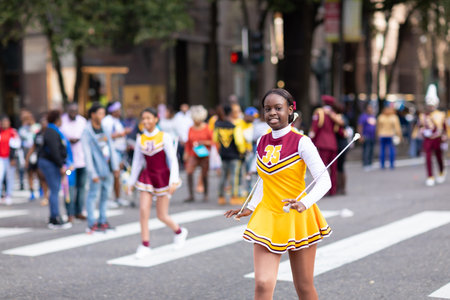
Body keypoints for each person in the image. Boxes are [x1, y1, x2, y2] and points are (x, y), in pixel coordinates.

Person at [225, 88, 332, 300]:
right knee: (263, 284)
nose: (272, 113)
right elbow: (265, 180)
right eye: (267, 109)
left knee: (304, 286)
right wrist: (252, 206)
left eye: (278, 108)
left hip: (298, 217)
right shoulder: (261, 141)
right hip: (268, 215)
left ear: (290, 110)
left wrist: (305, 202)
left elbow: (324, 180)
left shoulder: (301, 142)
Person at [127, 107, 187, 259]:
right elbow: (137, 162)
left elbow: (173, 160)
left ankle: (179, 232)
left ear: (156, 119)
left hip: (162, 177)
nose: (146, 121)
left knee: (162, 215)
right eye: (143, 118)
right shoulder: (140, 139)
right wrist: (131, 182)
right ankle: (145, 244)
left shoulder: (164, 136)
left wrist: (174, 180)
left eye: (149, 118)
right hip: (147, 177)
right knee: (143, 210)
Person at [82, 103, 120, 234]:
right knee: (93, 196)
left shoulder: (104, 128)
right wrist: (92, 173)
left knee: (105, 196)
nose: (102, 116)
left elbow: (111, 147)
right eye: (100, 113)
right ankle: (92, 223)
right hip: (96, 170)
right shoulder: (87, 132)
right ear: (93, 115)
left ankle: (103, 221)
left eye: (103, 113)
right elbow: (87, 154)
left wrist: (115, 166)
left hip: (108, 167)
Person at [37, 110, 72, 229]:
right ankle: (55, 218)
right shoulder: (52, 131)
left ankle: (54, 216)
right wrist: (61, 164)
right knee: (55, 190)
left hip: (50, 163)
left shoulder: (52, 130)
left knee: (55, 190)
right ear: (57, 119)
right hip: (50, 163)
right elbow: (54, 151)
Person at [214, 105, 246, 205]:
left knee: (223, 176)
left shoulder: (218, 126)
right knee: (234, 176)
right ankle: (234, 197)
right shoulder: (234, 126)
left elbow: (215, 139)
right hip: (234, 155)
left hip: (223, 154)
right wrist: (242, 151)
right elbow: (239, 142)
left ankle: (221, 197)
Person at [61, 103, 87, 220]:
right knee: (69, 187)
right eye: (71, 111)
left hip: (82, 161)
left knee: (81, 187)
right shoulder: (62, 121)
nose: (73, 113)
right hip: (69, 164)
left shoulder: (82, 121)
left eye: (75, 111)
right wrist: (69, 140)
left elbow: (86, 137)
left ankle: (79, 210)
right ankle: (69, 213)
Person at [102, 101, 132, 207]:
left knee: (117, 175)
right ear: (113, 111)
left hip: (119, 151)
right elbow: (105, 137)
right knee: (112, 174)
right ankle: (108, 199)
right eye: (118, 110)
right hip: (112, 152)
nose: (120, 112)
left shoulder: (117, 120)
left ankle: (117, 198)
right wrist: (121, 133)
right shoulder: (107, 121)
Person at [309, 95, 340, 196]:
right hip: (333, 144)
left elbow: (315, 128)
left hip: (322, 144)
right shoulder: (334, 115)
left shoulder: (319, 113)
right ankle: (333, 190)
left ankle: (322, 191)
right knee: (333, 169)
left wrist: (311, 141)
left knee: (321, 169)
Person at [417, 84, 447, 186]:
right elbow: (420, 126)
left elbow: (444, 128)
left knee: (439, 157)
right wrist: (423, 131)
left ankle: (441, 171)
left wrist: (444, 137)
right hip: (427, 139)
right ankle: (430, 176)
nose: (430, 106)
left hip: (437, 139)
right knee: (428, 158)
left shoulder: (440, 115)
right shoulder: (423, 116)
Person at [184, 105, 213, 202]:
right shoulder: (190, 128)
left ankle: (206, 194)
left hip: (204, 154)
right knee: (189, 172)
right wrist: (186, 153)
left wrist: (203, 142)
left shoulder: (207, 128)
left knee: (204, 174)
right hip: (193, 154)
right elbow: (188, 142)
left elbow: (213, 141)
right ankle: (191, 195)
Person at [25, 114, 49, 206]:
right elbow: (33, 146)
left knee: (43, 177)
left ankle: (45, 195)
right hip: (37, 158)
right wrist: (27, 158)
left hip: (45, 159)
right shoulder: (38, 134)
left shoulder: (49, 133)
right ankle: (33, 192)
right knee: (32, 174)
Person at [18, 110, 41, 196]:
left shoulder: (37, 127)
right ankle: (31, 192)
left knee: (39, 172)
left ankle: (40, 189)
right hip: (27, 152)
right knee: (29, 172)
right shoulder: (22, 129)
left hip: (36, 152)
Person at [0, 115, 21, 205]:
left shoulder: (13, 132)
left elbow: (16, 146)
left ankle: (8, 195)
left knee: (9, 177)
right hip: (1, 157)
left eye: (6, 122)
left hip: (9, 158)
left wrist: (13, 158)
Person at [173, 103, 193, 169]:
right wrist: (181, 138)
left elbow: (191, 126)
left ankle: (189, 164)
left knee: (189, 152)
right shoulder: (177, 116)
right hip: (181, 138)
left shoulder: (191, 115)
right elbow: (176, 127)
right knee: (181, 151)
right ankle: (182, 165)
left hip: (189, 137)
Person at [358, 103, 377, 171]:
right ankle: (365, 164)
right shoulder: (363, 116)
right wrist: (360, 136)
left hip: (372, 136)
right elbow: (360, 126)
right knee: (366, 150)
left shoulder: (373, 116)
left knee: (371, 150)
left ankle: (370, 163)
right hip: (366, 136)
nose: (370, 109)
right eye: (369, 108)